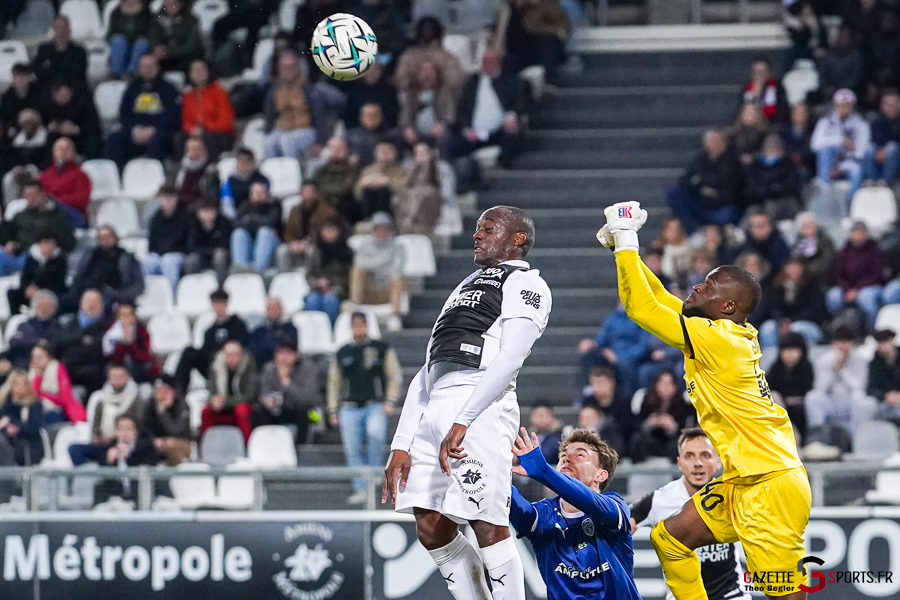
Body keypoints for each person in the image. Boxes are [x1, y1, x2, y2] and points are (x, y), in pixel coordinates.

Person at [597, 200, 810, 599]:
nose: (697, 285)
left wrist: (626, 240)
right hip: (742, 479)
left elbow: (642, 308)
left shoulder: (718, 340)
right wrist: (624, 250)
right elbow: (657, 297)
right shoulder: (720, 331)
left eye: (709, 287)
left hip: (769, 486)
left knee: (783, 593)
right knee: (669, 539)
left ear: (728, 306)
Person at [383, 206, 552, 600]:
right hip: (437, 400)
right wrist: (400, 443)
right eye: (477, 228)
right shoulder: (465, 284)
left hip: (481, 402)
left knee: (486, 520)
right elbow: (427, 367)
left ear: (517, 239)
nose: (477, 235)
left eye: (488, 229)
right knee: (429, 525)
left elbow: (511, 356)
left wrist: (466, 418)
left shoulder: (527, 283)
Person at [509, 427, 641, 600]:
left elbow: (590, 502)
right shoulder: (542, 514)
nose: (566, 458)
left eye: (580, 455)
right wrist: (498, 470)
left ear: (600, 475)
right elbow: (509, 502)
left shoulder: (616, 506)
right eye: (563, 456)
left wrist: (543, 471)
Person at [630, 429, 751, 600]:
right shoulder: (659, 499)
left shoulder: (733, 493)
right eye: (689, 456)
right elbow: (622, 526)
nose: (698, 463)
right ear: (679, 463)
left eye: (705, 455)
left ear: (719, 462)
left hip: (731, 594)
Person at [328, 312, 402, 504]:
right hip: (349, 407)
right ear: (351, 327)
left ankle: (374, 473)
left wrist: (390, 400)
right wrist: (333, 409)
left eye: (362, 324)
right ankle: (360, 487)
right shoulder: (343, 352)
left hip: (374, 404)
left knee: (375, 435)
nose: (359, 328)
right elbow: (334, 383)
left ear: (367, 325)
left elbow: (394, 374)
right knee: (352, 448)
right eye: (356, 324)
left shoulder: (381, 348)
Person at [446, 48, 525, 167]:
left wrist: (512, 115)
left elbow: (519, 103)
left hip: (499, 132)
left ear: (498, 63)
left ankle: (503, 165)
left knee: (511, 134)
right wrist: (466, 128)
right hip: (474, 133)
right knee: (450, 142)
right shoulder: (472, 82)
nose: (487, 65)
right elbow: (462, 108)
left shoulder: (510, 80)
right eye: (485, 62)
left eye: (491, 61)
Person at [804, 325, 874, 453]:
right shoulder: (824, 360)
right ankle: (818, 439)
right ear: (833, 343)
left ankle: (855, 440)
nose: (843, 346)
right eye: (840, 342)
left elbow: (859, 387)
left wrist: (842, 369)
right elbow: (820, 388)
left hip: (850, 401)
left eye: (846, 342)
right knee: (812, 398)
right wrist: (834, 367)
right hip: (831, 401)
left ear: (852, 344)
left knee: (864, 401)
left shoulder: (860, 359)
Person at [104, 54, 180, 168]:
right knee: (115, 139)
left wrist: (154, 129)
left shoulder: (168, 88)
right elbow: (124, 114)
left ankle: (151, 173)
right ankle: (116, 173)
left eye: (151, 66)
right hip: (136, 130)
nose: (148, 70)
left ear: (157, 68)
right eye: (144, 67)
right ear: (139, 69)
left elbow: (173, 115)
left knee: (159, 141)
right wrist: (133, 129)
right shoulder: (132, 88)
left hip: (159, 131)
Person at [666, 130, 743, 235]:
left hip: (723, 206)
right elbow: (684, 181)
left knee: (729, 214)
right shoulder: (699, 160)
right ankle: (692, 233)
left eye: (718, 141)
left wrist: (701, 182)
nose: (714, 144)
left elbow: (731, 185)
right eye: (711, 141)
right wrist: (702, 187)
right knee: (674, 192)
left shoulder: (734, 161)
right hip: (700, 203)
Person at [174, 288, 248, 392]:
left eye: (221, 304)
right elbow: (205, 351)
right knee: (189, 352)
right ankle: (179, 390)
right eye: (215, 304)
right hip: (213, 366)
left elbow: (243, 346)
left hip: (232, 365)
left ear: (227, 304)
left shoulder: (238, 325)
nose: (218, 307)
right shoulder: (210, 331)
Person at [257, 342, 325, 445]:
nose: (283, 358)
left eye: (288, 353)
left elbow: (309, 398)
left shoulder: (308, 368)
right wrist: (268, 400)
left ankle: (301, 446)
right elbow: (264, 392)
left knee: (305, 412)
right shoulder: (270, 368)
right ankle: (266, 445)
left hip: (311, 409)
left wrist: (287, 383)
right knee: (260, 412)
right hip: (280, 408)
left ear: (296, 355)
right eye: (280, 353)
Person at [810, 89, 870, 204]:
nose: (843, 108)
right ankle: (824, 194)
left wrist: (840, 168)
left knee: (856, 171)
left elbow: (861, 151)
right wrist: (840, 140)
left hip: (849, 162)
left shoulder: (860, 124)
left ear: (852, 106)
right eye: (840, 105)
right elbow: (815, 145)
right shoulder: (826, 122)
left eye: (847, 105)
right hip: (829, 164)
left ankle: (853, 206)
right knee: (826, 150)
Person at [577, 303, 652, 394]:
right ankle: (590, 389)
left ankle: (628, 396)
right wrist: (592, 343)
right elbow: (602, 339)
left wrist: (620, 357)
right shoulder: (612, 318)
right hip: (611, 354)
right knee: (589, 356)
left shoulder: (643, 319)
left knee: (625, 365)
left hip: (632, 357)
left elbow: (643, 346)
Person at [755, 257, 827, 349]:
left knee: (795, 328)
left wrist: (791, 321)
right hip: (782, 322)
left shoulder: (812, 286)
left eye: (797, 267)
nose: (793, 270)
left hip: (808, 324)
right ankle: (772, 354)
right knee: (768, 328)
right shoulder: (776, 287)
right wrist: (781, 321)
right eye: (790, 266)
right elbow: (773, 308)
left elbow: (814, 310)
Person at [349, 212, 405, 330]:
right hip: (369, 288)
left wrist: (372, 264)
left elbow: (396, 269)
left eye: (384, 228)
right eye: (378, 228)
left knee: (397, 279)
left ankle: (395, 315)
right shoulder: (364, 245)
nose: (381, 231)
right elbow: (359, 264)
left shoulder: (398, 247)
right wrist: (383, 262)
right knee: (357, 272)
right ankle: (355, 309)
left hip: (387, 289)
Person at [67, 225, 144, 310]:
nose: (105, 240)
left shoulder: (126, 258)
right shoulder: (90, 255)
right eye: (102, 238)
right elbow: (79, 277)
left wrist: (117, 295)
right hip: (87, 292)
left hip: (114, 296)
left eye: (108, 237)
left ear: (115, 238)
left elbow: (138, 286)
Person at [826, 221, 885, 328]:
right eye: (855, 233)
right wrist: (847, 289)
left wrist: (858, 289)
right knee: (833, 296)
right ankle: (834, 326)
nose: (858, 236)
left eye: (861, 233)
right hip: (847, 288)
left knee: (865, 298)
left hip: (870, 287)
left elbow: (876, 274)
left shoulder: (875, 251)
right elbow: (838, 274)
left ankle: (873, 327)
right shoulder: (844, 252)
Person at [630, 370, 695, 462]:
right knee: (636, 440)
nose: (666, 387)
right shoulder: (646, 401)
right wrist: (650, 423)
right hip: (650, 440)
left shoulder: (683, 404)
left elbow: (686, 428)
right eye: (662, 383)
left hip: (672, 443)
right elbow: (636, 425)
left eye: (669, 383)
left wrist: (672, 427)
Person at [57, 289, 111, 395]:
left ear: (102, 305)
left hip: (95, 372)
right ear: (81, 304)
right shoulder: (69, 324)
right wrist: (83, 341)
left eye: (95, 301)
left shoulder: (108, 325)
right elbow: (61, 345)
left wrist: (76, 343)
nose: (91, 305)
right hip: (70, 370)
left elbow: (97, 349)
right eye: (88, 301)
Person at [180, 59, 236, 161]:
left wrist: (205, 128)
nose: (199, 73)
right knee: (179, 137)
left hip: (219, 133)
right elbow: (186, 120)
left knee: (209, 138)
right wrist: (192, 129)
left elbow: (226, 121)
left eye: (202, 69)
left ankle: (212, 165)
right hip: (197, 132)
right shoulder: (187, 96)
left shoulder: (220, 92)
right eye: (195, 70)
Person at [202, 340, 257, 442]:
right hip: (221, 405)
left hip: (242, 404)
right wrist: (213, 400)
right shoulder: (216, 367)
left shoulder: (249, 367)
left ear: (241, 355)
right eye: (228, 354)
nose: (232, 358)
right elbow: (211, 389)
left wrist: (225, 402)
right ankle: (205, 443)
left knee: (241, 410)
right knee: (206, 410)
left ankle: (247, 443)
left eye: (235, 354)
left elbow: (249, 395)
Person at [278, 182, 338, 272]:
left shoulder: (326, 211)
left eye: (310, 192)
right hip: (297, 243)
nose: (308, 194)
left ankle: (312, 274)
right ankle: (285, 276)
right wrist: (292, 242)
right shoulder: (295, 211)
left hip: (315, 243)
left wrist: (307, 242)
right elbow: (288, 231)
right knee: (282, 250)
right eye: (305, 191)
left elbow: (325, 234)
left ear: (316, 194)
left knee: (311, 251)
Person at [766, 332, 812, 442]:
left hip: (802, 408)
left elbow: (808, 388)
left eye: (793, 350)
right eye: (785, 350)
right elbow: (768, 388)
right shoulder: (776, 368)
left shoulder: (807, 368)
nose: (789, 354)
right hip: (781, 408)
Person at [743, 134, 802, 221]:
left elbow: (791, 184)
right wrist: (763, 191)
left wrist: (774, 189)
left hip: (783, 199)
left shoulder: (788, 164)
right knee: (752, 211)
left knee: (771, 207)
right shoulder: (755, 165)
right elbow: (752, 185)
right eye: (769, 148)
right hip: (760, 199)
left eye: (775, 148)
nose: (772, 151)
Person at [7, 230, 67, 314]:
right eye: (45, 243)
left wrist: (39, 290)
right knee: (12, 293)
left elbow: (59, 282)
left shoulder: (60, 260)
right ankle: (16, 317)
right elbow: (25, 277)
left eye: (51, 243)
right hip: (31, 291)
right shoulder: (32, 258)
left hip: (50, 292)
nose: (48, 247)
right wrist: (27, 288)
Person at [144, 185, 190, 291]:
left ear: (176, 199)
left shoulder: (185, 217)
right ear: (160, 199)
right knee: (148, 262)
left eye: (171, 197)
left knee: (168, 261)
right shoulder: (155, 218)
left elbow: (185, 241)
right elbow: (152, 242)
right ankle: (149, 293)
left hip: (177, 253)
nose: (168, 201)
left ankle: (171, 293)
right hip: (159, 253)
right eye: (165, 198)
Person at [37, 137, 91, 228]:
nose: (63, 151)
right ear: (54, 152)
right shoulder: (45, 175)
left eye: (66, 148)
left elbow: (81, 199)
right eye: (59, 149)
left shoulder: (80, 175)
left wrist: (56, 200)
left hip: (72, 214)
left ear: (73, 152)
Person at [392, 141, 444, 236]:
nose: (420, 156)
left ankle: (419, 226)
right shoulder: (408, 166)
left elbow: (439, 186)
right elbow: (407, 184)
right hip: (413, 195)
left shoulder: (442, 167)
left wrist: (426, 165)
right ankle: (404, 226)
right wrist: (417, 166)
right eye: (417, 153)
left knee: (421, 194)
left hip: (432, 197)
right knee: (401, 195)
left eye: (423, 152)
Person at [14, 179, 76, 254]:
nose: (31, 198)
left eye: (34, 194)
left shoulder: (58, 216)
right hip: (27, 254)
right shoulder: (20, 217)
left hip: (55, 254)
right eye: (27, 195)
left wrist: (53, 245)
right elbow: (15, 239)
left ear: (42, 193)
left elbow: (69, 241)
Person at [29, 341, 85, 424]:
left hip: (59, 410)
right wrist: (38, 375)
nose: (36, 361)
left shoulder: (57, 368)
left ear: (49, 357)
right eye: (33, 358)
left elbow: (65, 398)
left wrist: (44, 396)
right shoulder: (31, 373)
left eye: (39, 357)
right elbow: (33, 394)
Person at [102, 302, 160, 383]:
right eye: (123, 315)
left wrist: (131, 345)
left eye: (129, 315)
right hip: (118, 365)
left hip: (137, 365)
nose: (126, 318)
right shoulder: (112, 332)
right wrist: (122, 343)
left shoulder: (141, 331)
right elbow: (109, 354)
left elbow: (145, 353)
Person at [231, 181, 281, 273]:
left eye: (262, 193)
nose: (259, 195)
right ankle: (241, 268)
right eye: (256, 193)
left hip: (271, 244)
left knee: (264, 232)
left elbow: (271, 223)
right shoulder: (245, 206)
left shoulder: (274, 206)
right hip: (250, 243)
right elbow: (236, 223)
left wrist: (251, 220)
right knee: (239, 233)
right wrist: (257, 222)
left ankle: (258, 269)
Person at [42, 82, 102, 160]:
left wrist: (76, 129)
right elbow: (42, 125)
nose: (64, 98)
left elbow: (94, 125)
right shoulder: (47, 107)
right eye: (61, 95)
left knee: (92, 141)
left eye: (66, 94)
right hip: (56, 138)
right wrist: (51, 128)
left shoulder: (82, 104)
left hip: (80, 138)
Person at [308, 136, 360, 223]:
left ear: (347, 150)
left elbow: (345, 189)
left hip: (346, 209)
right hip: (323, 208)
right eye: (332, 148)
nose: (336, 151)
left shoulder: (353, 170)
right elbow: (314, 189)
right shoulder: (320, 171)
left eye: (340, 148)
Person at [142, 374, 191, 466]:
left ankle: (176, 471)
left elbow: (176, 431)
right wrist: (153, 440)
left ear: (173, 392)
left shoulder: (182, 405)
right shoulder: (150, 404)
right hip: (157, 440)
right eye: (158, 391)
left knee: (171, 444)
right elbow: (144, 427)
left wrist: (163, 413)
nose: (162, 395)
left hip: (181, 441)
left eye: (165, 391)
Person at [354, 140, 408, 221]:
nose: (384, 153)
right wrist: (363, 184)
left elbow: (405, 190)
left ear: (394, 153)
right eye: (380, 150)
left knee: (383, 191)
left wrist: (388, 182)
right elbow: (356, 194)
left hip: (391, 206)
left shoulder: (402, 172)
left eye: (387, 150)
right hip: (368, 205)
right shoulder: (367, 170)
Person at [0, 370, 45, 465]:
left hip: (27, 444)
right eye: (16, 383)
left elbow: (35, 428)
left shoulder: (34, 404)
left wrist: (17, 427)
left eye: (24, 383)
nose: (20, 387)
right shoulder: (3, 404)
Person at [32, 15, 87, 92]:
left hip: (72, 91)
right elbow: (37, 71)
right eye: (58, 27)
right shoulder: (44, 50)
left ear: (69, 30)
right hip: (48, 91)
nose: (61, 32)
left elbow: (76, 74)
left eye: (64, 27)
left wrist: (50, 69)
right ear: (53, 29)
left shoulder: (79, 52)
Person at [8, 290, 60, 369]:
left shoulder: (58, 327)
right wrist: (37, 342)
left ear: (54, 309)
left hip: (50, 366)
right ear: (34, 308)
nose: (44, 309)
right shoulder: (25, 325)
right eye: (40, 306)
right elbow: (14, 343)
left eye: (48, 306)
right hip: (25, 366)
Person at [149, 0, 204, 73]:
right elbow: (153, 35)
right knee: (148, 61)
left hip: (184, 57)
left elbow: (192, 44)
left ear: (181, 5)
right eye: (167, 4)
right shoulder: (157, 18)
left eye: (174, 4)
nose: (171, 7)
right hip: (162, 57)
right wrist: (156, 47)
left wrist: (169, 52)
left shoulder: (191, 20)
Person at [184, 202, 231, 284]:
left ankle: (221, 285)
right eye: (204, 211)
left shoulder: (223, 223)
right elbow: (191, 246)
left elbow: (225, 244)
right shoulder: (193, 225)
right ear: (198, 213)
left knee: (219, 256)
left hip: (219, 256)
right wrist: (210, 251)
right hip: (202, 256)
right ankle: (192, 285)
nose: (207, 214)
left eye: (209, 211)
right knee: (191, 260)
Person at [106, 0, 153, 80]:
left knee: (142, 44)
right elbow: (111, 33)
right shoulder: (116, 13)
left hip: (138, 42)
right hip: (122, 43)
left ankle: (132, 73)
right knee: (117, 40)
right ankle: (115, 73)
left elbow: (149, 31)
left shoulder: (146, 13)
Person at [246, 297, 298, 366]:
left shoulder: (290, 329)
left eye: (275, 308)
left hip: (286, 365)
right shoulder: (259, 331)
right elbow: (254, 351)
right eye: (269, 308)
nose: (272, 311)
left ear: (281, 309)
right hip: (263, 364)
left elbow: (290, 348)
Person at [220, 147, 269, 218]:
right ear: (237, 162)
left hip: (261, 216)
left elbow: (268, 200)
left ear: (253, 162)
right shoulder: (230, 182)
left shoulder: (262, 179)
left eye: (247, 161)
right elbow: (227, 203)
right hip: (238, 216)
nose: (244, 164)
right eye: (241, 161)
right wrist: (235, 220)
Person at [790, 211, 834, 289]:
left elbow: (827, 260)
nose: (809, 228)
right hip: (801, 277)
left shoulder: (824, 240)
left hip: (821, 279)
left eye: (811, 225)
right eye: (806, 226)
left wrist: (806, 271)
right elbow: (794, 259)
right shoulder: (798, 243)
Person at [864, 89, 900, 185]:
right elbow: (874, 139)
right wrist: (880, 151)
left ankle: (884, 181)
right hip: (879, 155)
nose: (891, 107)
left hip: (895, 159)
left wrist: (886, 151)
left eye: (894, 104)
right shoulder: (876, 121)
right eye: (888, 105)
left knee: (892, 148)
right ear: (882, 106)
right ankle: (870, 180)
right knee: (868, 149)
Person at [868, 329, 900, 427]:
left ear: (892, 341)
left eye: (886, 342)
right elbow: (870, 388)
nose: (883, 346)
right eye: (881, 343)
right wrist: (886, 396)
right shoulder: (874, 363)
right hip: (884, 402)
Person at [740, 58, 787, 123]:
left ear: (769, 73)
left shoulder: (778, 89)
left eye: (763, 72)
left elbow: (782, 112)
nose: (759, 75)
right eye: (756, 72)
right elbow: (742, 111)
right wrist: (756, 95)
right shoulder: (746, 88)